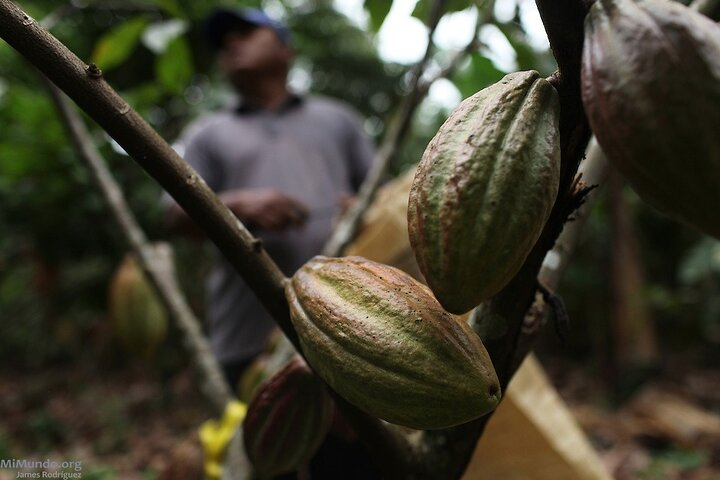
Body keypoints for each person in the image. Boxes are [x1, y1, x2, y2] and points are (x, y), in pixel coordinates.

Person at [165, 7, 375, 390]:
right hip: (249, 337)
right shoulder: (207, 134)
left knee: (359, 449)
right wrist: (239, 206)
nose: (231, 44)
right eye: (223, 42)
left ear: (286, 49)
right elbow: (174, 216)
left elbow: (384, 196)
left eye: (246, 33)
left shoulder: (338, 120)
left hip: (351, 329)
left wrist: (360, 212)